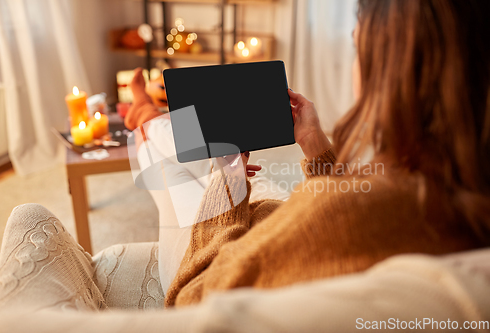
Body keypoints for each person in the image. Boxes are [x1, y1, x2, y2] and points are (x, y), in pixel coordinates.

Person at [125, 0, 490, 308]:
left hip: (206, 263)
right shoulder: (465, 196)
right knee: (237, 172)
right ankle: (147, 119)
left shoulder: (334, 216)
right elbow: (349, 210)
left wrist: (229, 188)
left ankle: (142, 113)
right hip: (269, 225)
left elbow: (195, 300)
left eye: (355, 48)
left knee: (173, 164)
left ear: (388, 70)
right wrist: (315, 145)